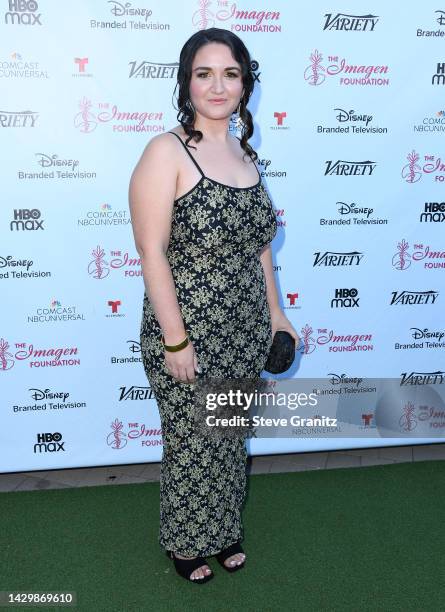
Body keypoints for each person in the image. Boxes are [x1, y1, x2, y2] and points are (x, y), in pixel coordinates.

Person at [129, 27, 299, 584]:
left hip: (245, 325)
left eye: (230, 73)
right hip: (190, 327)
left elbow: (260, 248)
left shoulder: (244, 153)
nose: (218, 85)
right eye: (204, 74)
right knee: (191, 439)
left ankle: (222, 529)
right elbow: (151, 252)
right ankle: (185, 540)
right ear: (187, 83)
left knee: (228, 435)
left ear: (245, 83)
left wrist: (276, 314)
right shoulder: (166, 151)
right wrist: (175, 339)